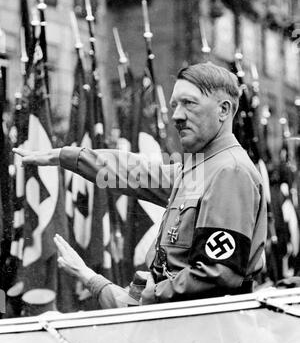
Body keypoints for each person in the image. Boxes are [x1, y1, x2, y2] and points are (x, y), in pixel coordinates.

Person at [13, 62, 267, 306]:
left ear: (223, 110)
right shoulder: (202, 167)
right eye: (175, 105)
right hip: (181, 324)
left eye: (189, 104)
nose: (177, 116)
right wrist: (66, 157)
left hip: (203, 332)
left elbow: (217, 275)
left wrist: (145, 297)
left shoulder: (228, 171)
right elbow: (135, 172)